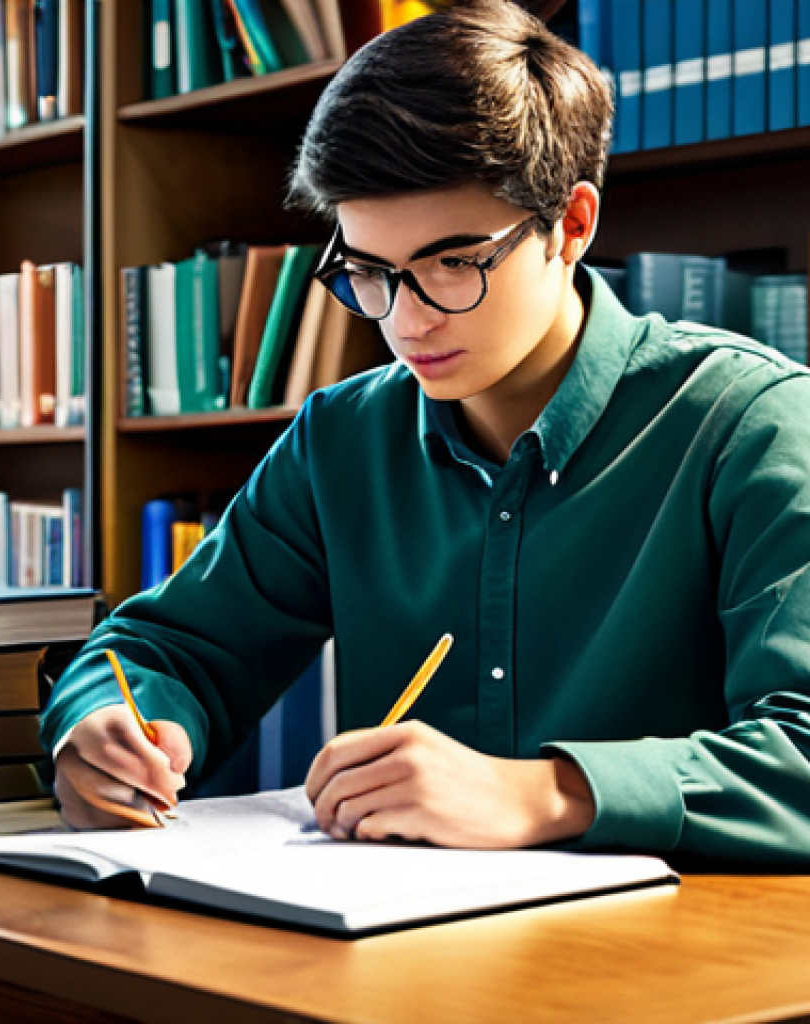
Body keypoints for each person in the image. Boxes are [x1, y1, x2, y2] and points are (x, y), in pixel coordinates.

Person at [44, 0, 810, 863]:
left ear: (573, 226)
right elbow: (166, 646)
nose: (405, 321)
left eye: (453, 263)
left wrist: (543, 792)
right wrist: (108, 728)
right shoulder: (342, 439)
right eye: (369, 271)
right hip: (395, 957)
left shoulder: (754, 424)